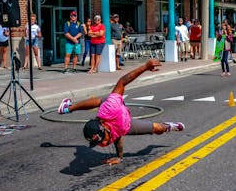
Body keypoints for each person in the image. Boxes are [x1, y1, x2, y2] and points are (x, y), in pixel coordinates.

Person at [57, 59, 185, 165]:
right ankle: (169, 126)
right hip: (125, 123)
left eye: (103, 140)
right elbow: (116, 135)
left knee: (104, 100)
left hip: (117, 110)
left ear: (104, 128)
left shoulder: (109, 108)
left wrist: (145, 67)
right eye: (98, 142)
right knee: (156, 128)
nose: (103, 144)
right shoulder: (105, 133)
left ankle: (68, 108)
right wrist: (119, 157)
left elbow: (122, 81)